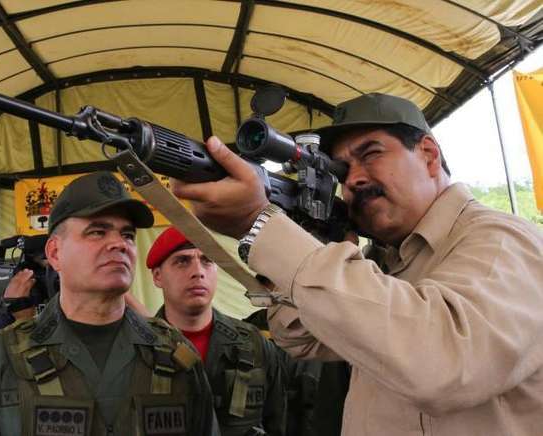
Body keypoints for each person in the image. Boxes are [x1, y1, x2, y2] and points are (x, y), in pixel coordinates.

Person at [171, 93, 543, 435]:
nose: (354, 179)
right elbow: (299, 336)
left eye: (371, 154)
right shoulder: (384, 259)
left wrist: (263, 225)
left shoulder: (502, 240)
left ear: (429, 155)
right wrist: (314, 240)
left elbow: (443, 364)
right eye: (342, 170)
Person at [0, 171, 220, 436]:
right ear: (55, 252)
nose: (119, 244)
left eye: (127, 235)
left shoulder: (175, 353)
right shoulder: (0, 359)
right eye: (97, 232)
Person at [146, 226, 289, 436]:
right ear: (158, 276)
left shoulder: (255, 346)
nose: (198, 272)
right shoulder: (137, 347)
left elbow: (277, 424)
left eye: (207, 260)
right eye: (182, 261)